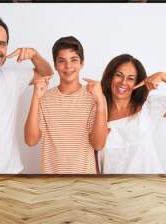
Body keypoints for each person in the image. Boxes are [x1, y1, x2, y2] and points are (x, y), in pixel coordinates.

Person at [0, 16, 53, 174]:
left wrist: (34, 55)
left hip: (11, 172)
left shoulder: (12, 78)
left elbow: (47, 73)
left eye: (1, 44)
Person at [24, 36, 108, 174]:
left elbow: (98, 144)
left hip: (85, 183)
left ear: (82, 63)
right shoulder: (44, 98)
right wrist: (35, 98)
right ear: (55, 65)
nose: (68, 66)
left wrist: (100, 104)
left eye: (73, 60)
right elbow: (31, 140)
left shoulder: (95, 97)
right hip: (52, 183)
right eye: (62, 61)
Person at [99, 54, 166, 174]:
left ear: (138, 82)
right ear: (110, 77)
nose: (123, 82)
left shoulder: (149, 107)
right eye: (118, 75)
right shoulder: (98, 111)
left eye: (131, 78)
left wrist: (163, 76)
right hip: (111, 188)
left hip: (148, 187)